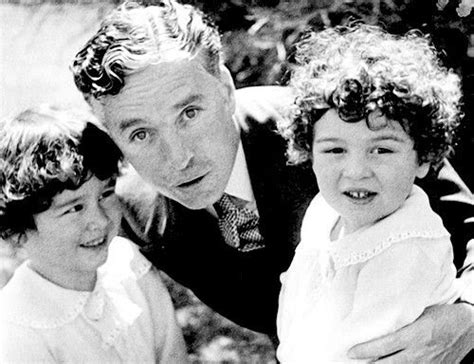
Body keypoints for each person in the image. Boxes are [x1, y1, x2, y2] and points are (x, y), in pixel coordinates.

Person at [71, 1, 474, 361]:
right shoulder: (131, 212)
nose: (179, 159)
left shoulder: (334, 130)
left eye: (190, 113)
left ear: (226, 90)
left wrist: (468, 319)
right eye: (141, 133)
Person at [276, 24, 468, 363]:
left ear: (423, 158)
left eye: (381, 150)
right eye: (335, 150)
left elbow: (355, 355)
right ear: (309, 152)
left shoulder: (408, 249)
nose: (356, 171)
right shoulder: (324, 212)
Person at [0, 105, 188, 363]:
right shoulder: (19, 328)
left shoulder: (128, 263)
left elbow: (172, 355)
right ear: (17, 232)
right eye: (74, 208)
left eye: (105, 194)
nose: (99, 220)